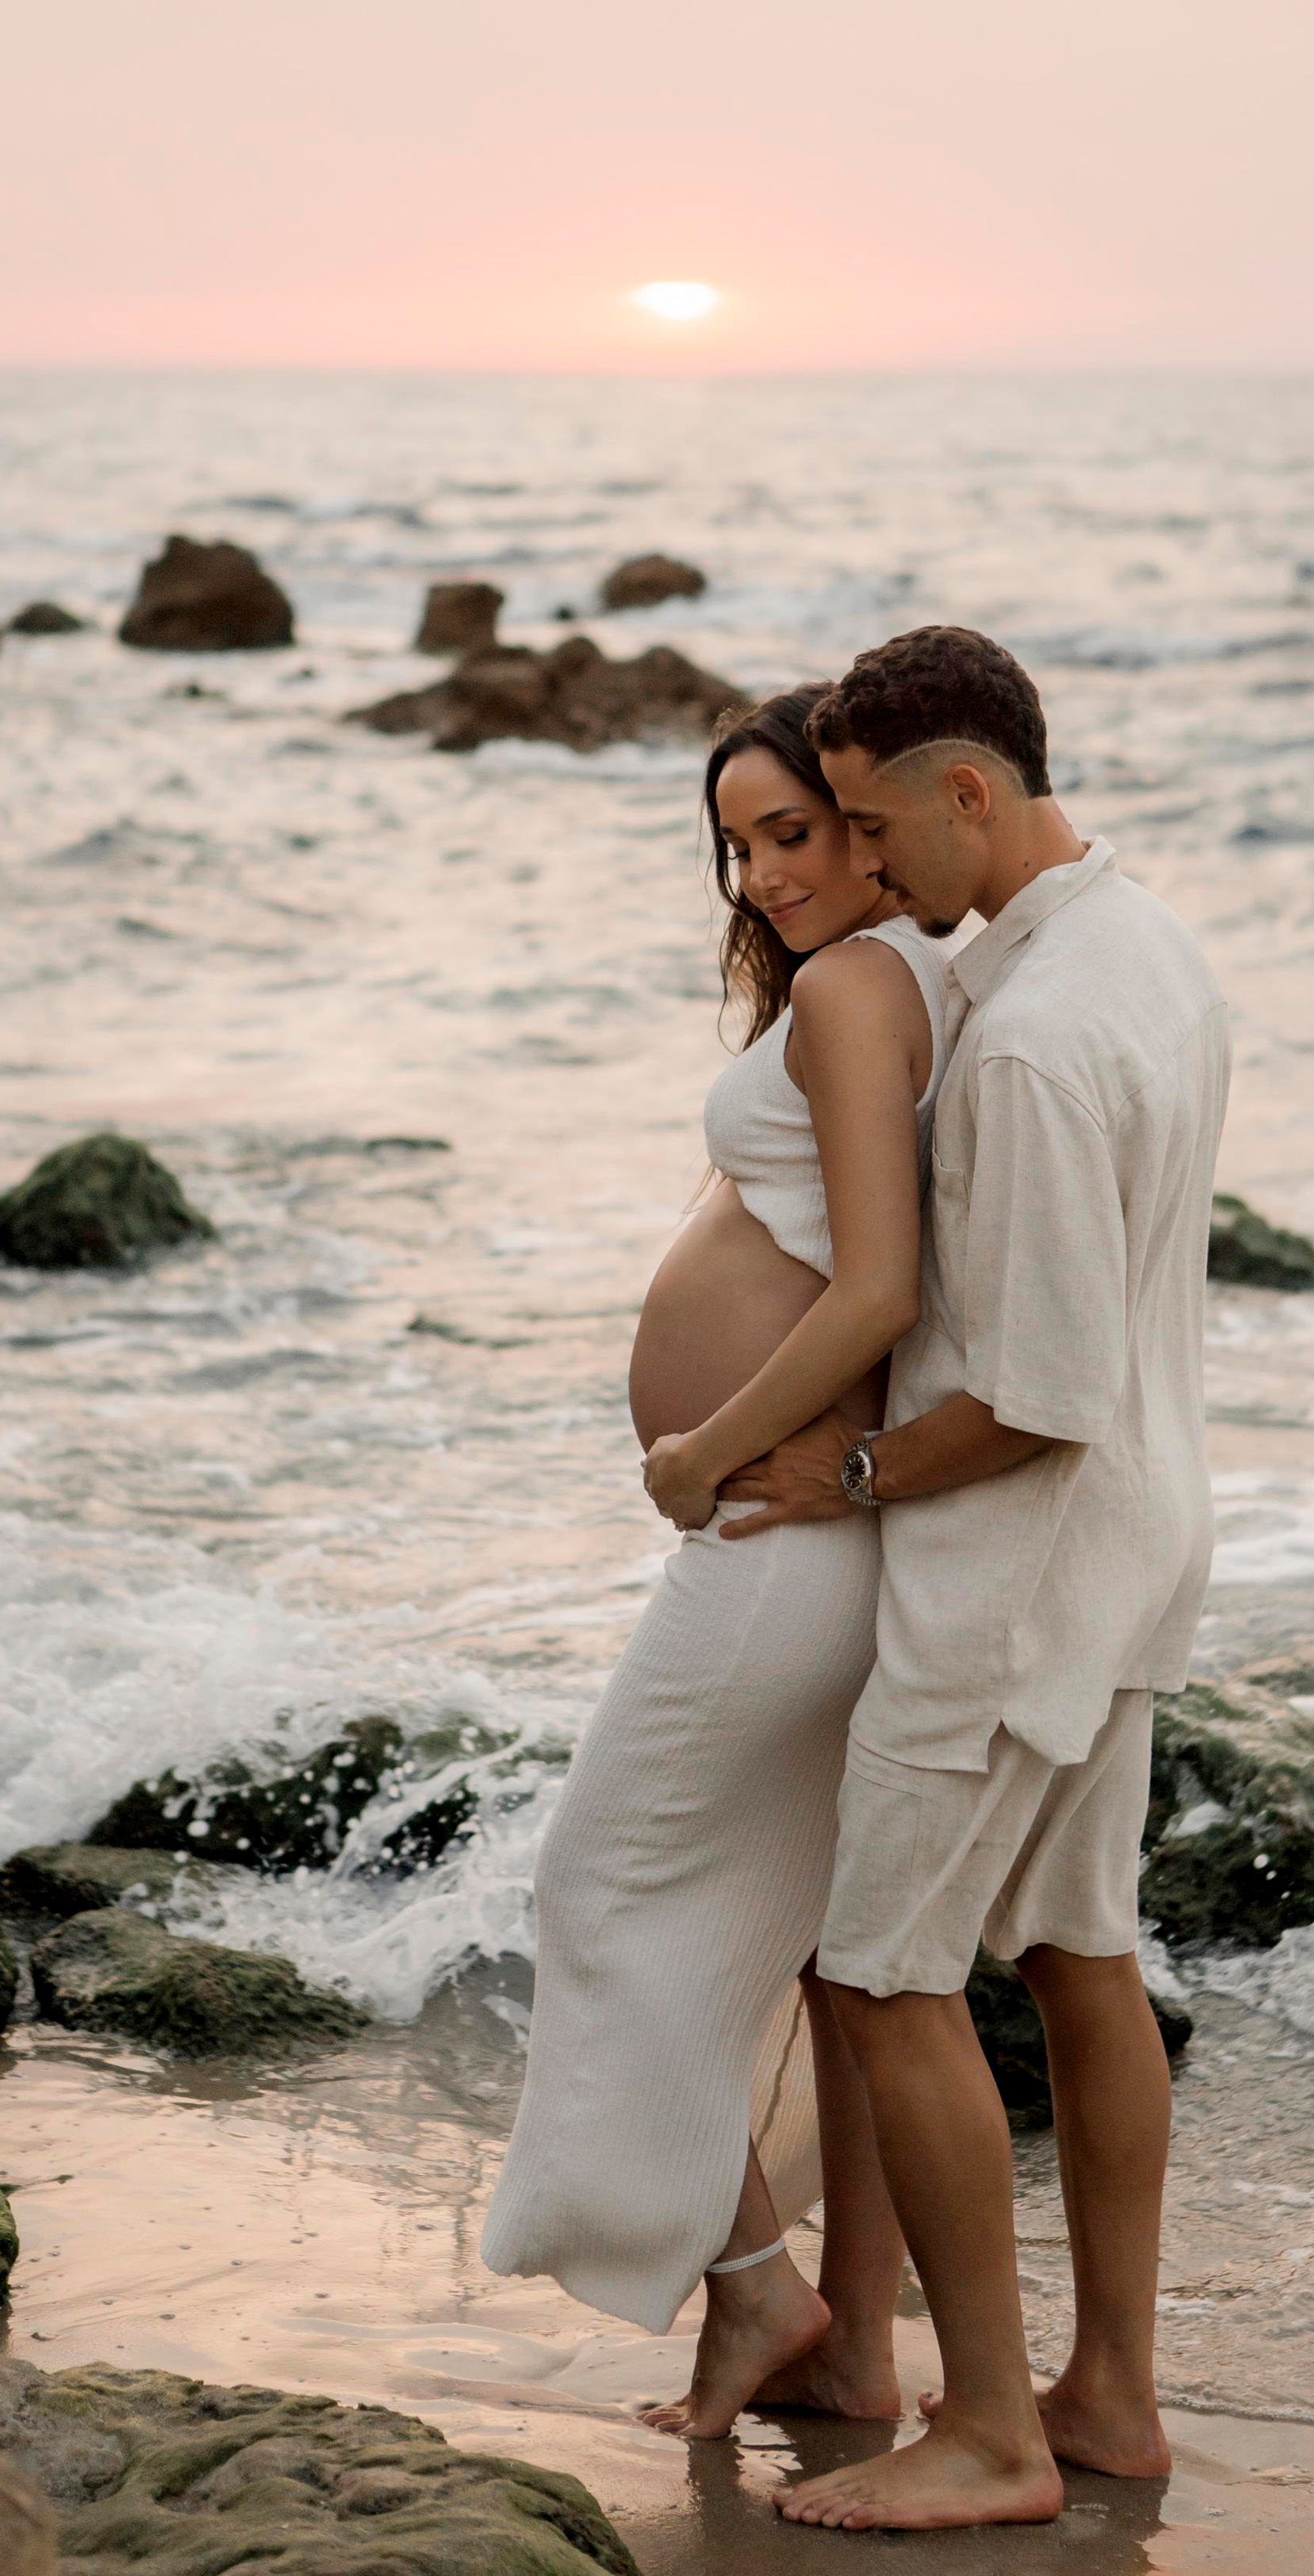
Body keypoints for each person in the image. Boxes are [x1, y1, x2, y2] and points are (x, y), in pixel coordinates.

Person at [712, 624, 1231, 2534]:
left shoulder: (1020, 1042)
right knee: (1081, 1954)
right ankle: (1107, 2393)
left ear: (969, 792)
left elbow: (1030, 1393)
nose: (859, 869)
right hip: (1140, 1539)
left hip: (1011, 1570)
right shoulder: (1145, 945)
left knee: (876, 1971)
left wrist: (837, 1469)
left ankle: (993, 2432)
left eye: (867, 824)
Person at [479, 682, 953, 2436]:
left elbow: (879, 1289)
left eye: (791, 835)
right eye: (734, 846)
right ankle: (845, 2339)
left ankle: (757, 2289)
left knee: (591, 1888)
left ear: (867, 818)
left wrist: (699, 1445)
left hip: (770, 1535)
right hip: (804, 1532)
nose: (758, 877)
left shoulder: (854, 983)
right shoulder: (879, 982)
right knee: (819, 1955)